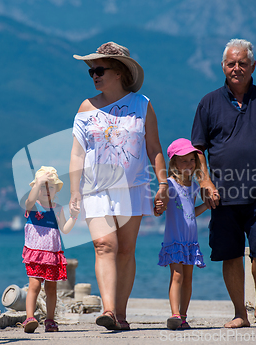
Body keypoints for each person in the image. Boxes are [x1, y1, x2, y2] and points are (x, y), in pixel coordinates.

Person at [191, 39, 256, 328]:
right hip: (223, 196)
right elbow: (197, 149)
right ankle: (240, 312)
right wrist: (205, 180)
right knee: (231, 254)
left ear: (252, 66)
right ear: (223, 67)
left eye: (242, 63)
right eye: (231, 63)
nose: (236, 68)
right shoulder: (209, 102)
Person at [69, 42, 168, 330]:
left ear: (120, 72)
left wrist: (162, 183)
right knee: (104, 245)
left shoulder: (143, 105)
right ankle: (108, 309)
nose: (94, 76)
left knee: (125, 250)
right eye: (92, 72)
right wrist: (75, 189)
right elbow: (77, 153)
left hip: (133, 188)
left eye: (100, 70)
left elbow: (154, 148)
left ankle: (120, 314)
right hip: (95, 188)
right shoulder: (85, 108)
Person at [156, 138, 214, 330]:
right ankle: (174, 314)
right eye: (183, 160)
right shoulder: (170, 185)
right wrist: (158, 206)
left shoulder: (193, 186)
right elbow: (161, 206)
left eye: (191, 160)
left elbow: (190, 212)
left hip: (190, 241)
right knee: (177, 276)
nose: (188, 164)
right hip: (175, 239)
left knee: (188, 278)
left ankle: (183, 316)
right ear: (173, 163)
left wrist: (206, 206)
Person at [21, 166, 79, 333]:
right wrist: (38, 182)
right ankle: (30, 318)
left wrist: (74, 216)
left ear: (56, 191)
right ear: (36, 189)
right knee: (34, 285)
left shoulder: (58, 209)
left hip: (52, 254)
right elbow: (29, 201)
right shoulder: (32, 206)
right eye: (43, 186)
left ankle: (50, 320)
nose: (46, 190)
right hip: (35, 253)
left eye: (50, 187)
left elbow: (65, 229)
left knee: (51, 288)